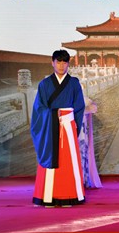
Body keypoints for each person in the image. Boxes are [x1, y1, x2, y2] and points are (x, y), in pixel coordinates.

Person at [30, 50, 86, 207]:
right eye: (58, 62)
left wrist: (73, 125)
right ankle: (48, 197)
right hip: (50, 126)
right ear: (52, 63)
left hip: (68, 126)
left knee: (68, 161)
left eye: (64, 62)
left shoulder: (74, 83)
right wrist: (53, 115)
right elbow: (38, 108)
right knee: (51, 158)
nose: (61, 66)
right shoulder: (44, 84)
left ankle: (69, 196)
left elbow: (79, 106)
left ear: (68, 64)